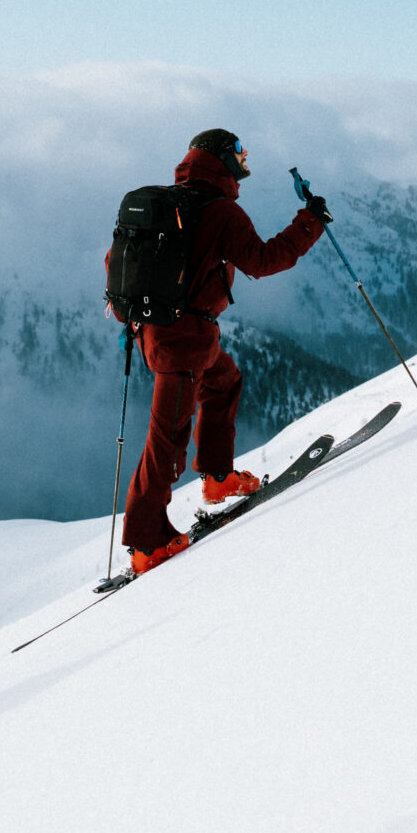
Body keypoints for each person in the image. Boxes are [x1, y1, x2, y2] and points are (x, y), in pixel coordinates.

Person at [115, 128, 328, 577]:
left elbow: (119, 264)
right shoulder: (220, 212)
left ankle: (216, 477)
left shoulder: (170, 202)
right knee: (165, 441)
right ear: (221, 160)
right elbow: (263, 260)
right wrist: (310, 223)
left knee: (224, 380)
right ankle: (146, 542)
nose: (244, 161)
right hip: (182, 343)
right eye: (240, 154)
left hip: (165, 333)